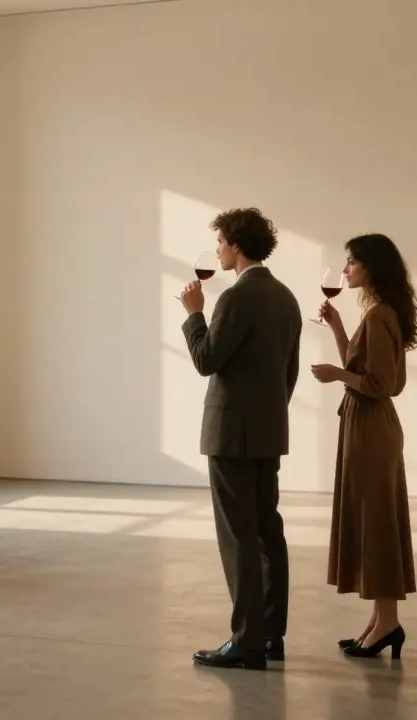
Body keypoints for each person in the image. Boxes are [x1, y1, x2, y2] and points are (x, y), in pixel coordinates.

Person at [179, 208, 302, 671]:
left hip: (231, 435)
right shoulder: (286, 298)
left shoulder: (234, 298)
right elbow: (287, 373)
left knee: (238, 538)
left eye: (220, 242)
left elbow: (207, 359)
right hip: (269, 432)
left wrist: (194, 316)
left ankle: (246, 641)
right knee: (268, 531)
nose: (217, 250)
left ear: (236, 244)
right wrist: (268, 415)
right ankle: (270, 635)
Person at [310, 233, 417, 660]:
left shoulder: (378, 316)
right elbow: (363, 368)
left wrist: (337, 375)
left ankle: (388, 623)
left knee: (377, 525)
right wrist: (338, 327)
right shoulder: (378, 313)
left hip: (371, 428)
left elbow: (380, 385)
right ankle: (380, 621)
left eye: (353, 262)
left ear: (372, 267)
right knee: (376, 521)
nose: (345, 269)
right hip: (366, 426)